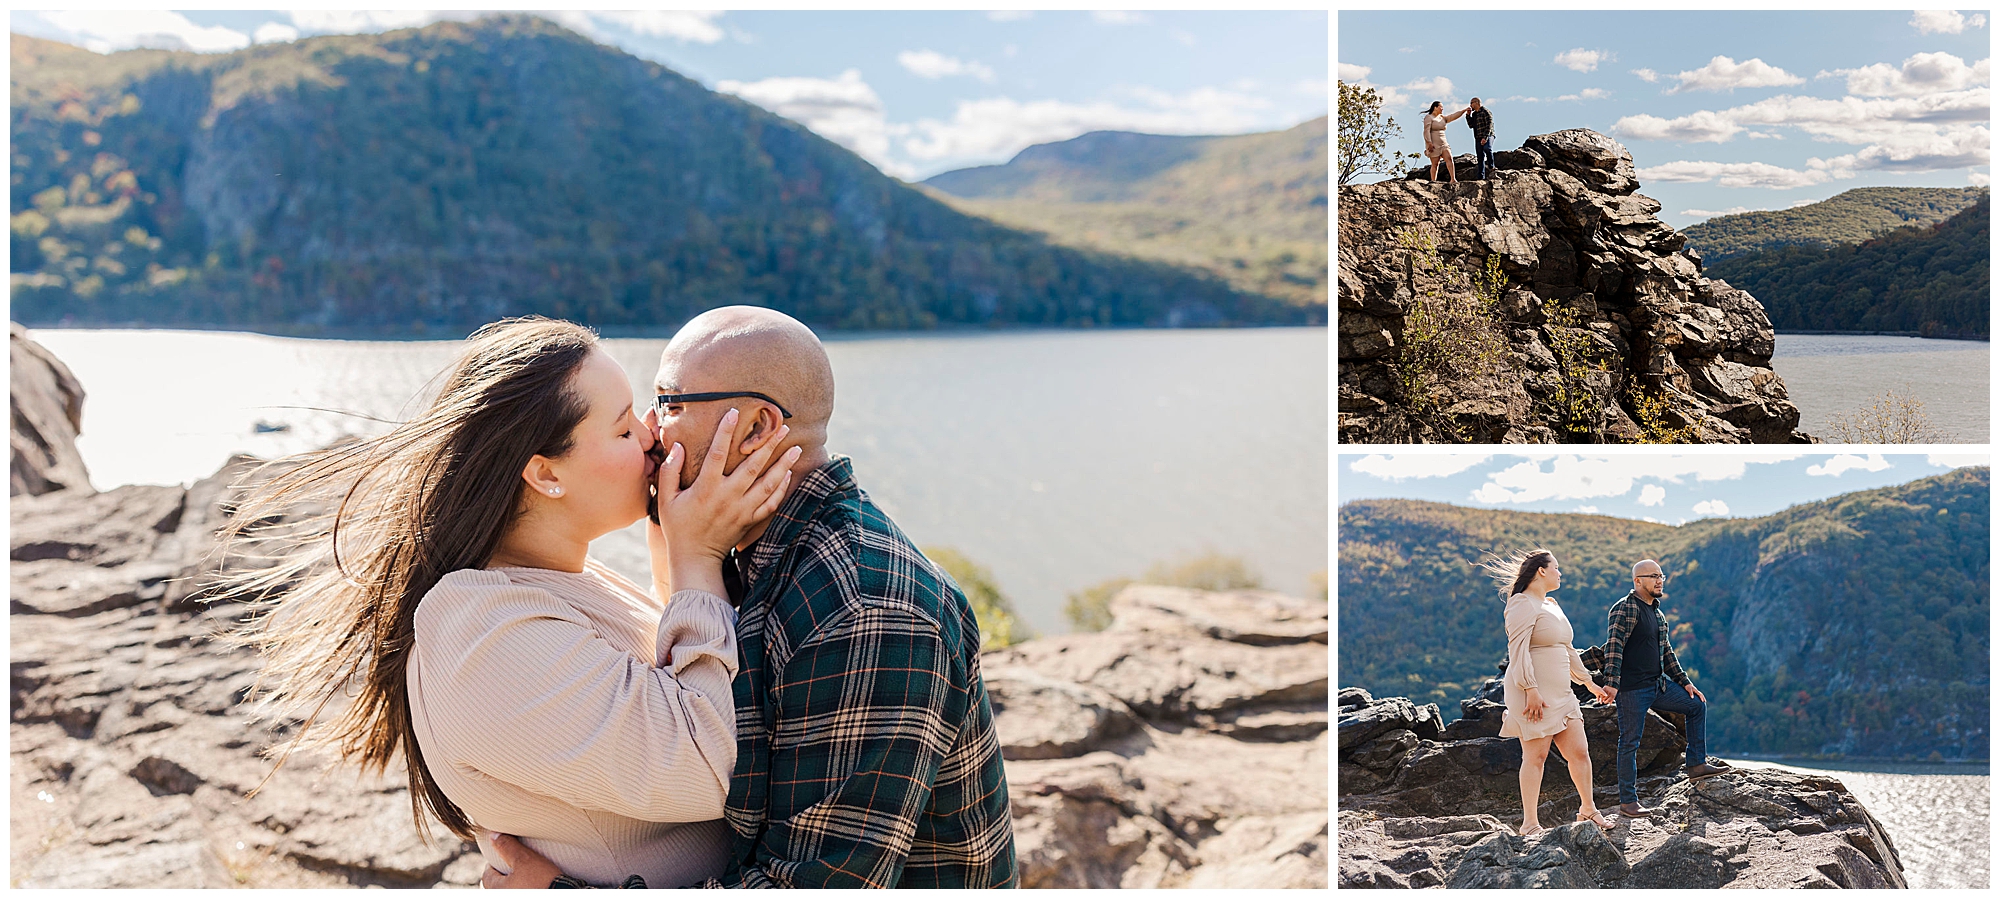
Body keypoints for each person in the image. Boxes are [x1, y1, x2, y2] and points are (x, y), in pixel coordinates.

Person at [220, 318, 799, 888]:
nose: (654, 436)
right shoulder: (481, 630)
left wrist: (674, 556)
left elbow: (677, 692)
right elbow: (712, 764)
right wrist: (697, 557)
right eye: (624, 431)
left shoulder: (557, 586)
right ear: (546, 474)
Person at [483, 306, 1018, 888]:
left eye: (671, 402)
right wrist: (683, 546)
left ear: (758, 429)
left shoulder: (865, 610)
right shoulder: (765, 559)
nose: (649, 429)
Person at [1484, 549, 1615, 836]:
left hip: (1562, 693)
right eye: (1556, 567)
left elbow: (1567, 650)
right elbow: (1517, 652)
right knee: (1536, 756)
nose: (1560, 572)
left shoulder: (1552, 604)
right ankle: (1529, 823)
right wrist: (1530, 689)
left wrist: (1589, 683)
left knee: (1579, 752)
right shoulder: (1521, 603)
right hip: (1532, 692)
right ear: (1541, 570)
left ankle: (1588, 810)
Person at [1603, 559, 1730, 818]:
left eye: (1661, 575)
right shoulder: (1625, 608)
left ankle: (1696, 764)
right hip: (1631, 690)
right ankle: (1628, 802)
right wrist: (1611, 684)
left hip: (1658, 686)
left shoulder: (1658, 613)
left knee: (1696, 705)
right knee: (1629, 743)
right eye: (1653, 576)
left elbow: (1667, 652)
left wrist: (1684, 682)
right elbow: (1614, 646)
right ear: (1637, 581)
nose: (1659, 580)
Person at [1423, 100, 1470, 185]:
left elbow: (1452, 116)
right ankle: (1433, 181)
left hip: (1443, 143)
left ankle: (1453, 178)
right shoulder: (1429, 117)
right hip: (1433, 143)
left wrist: (1463, 111)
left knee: (1449, 158)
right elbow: (1426, 131)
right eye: (1441, 107)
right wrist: (1429, 142)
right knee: (1435, 163)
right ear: (1435, 107)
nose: (1442, 108)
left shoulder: (1442, 118)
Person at [1466, 97, 1495, 180]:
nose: (1470, 105)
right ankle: (1481, 177)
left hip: (1488, 135)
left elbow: (1489, 125)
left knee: (1487, 148)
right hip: (1478, 137)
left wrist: (1485, 138)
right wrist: (1468, 115)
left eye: (1471, 103)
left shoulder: (1486, 112)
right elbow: (1471, 125)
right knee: (1480, 157)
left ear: (1476, 102)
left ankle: (1491, 166)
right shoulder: (1474, 114)